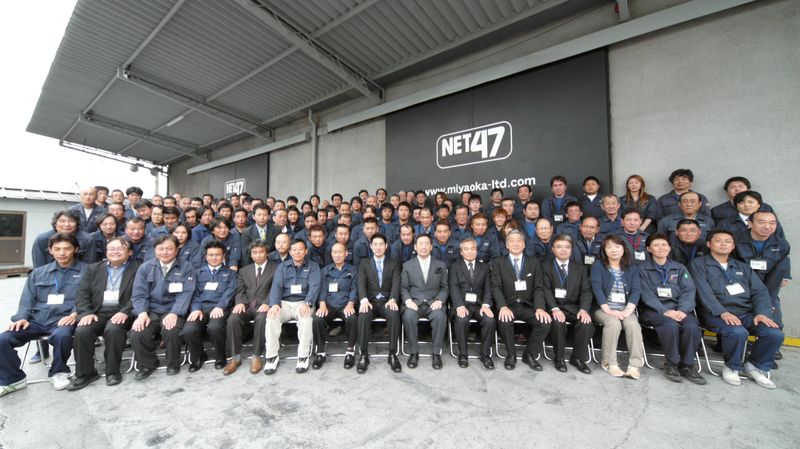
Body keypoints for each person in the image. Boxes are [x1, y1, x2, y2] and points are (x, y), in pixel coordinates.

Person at [690, 230, 783, 388]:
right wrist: (722, 312)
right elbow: (704, 293)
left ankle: (755, 366)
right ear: (709, 244)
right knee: (737, 332)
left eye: (728, 241)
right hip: (714, 313)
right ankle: (732, 367)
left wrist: (762, 313)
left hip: (745, 312)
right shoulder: (698, 264)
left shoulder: (742, 267)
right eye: (718, 240)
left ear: (733, 246)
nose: (723, 244)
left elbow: (760, 292)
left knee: (774, 334)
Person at [0, 233, 87, 396]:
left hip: (64, 319)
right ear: (50, 250)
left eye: (67, 248)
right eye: (57, 249)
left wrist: (75, 314)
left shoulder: (87, 271)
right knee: (3, 339)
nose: (62, 253)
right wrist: (22, 318)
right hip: (37, 320)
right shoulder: (38, 273)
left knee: (62, 335)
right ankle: (13, 378)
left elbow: (87, 297)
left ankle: (59, 372)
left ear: (75, 249)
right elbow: (27, 299)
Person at [68, 237, 140, 390]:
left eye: (120, 248)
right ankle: (85, 373)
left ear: (130, 252)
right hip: (97, 311)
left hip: (122, 311)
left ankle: (112, 371)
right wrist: (86, 312)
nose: (115, 251)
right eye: (112, 248)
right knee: (82, 331)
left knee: (114, 329)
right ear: (106, 252)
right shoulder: (94, 268)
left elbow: (140, 294)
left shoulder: (138, 268)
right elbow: (82, 293)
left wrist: (125, 311)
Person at [638, 234, 706, 384]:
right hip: (653, 311)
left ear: (669, 248)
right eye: (656, 245)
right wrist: (665, 311)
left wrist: (682, 310)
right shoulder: (642, 269)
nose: (661, 248)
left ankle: (687, 365)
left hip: (679, 309)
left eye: (664, 245)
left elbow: (689, 291)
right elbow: (646, 295)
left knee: (692, 326)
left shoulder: (679, 268)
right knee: (670, 325)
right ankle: (672, 363)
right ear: (648, 249)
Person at [129, 235, 196, 379]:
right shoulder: (145, 268)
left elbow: (186, 293)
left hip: (173, 309)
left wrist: (174, 313)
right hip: (151, 311)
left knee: (171, 329)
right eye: (160, 248)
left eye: (169, 248)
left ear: (177, 250)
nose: (165, 252)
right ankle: (147, 364)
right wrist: (142, 313)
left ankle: (173, 363)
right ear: (155, 250)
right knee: (137, 332)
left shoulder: (186, 267)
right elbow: (139, 294)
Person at [491, 230, 551, 371]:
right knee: (504, 321)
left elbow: (538, 287)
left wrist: (540, 308)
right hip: (508, 304)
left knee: (545, 322)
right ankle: (511, 355)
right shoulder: (498, 262)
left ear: (524, 244)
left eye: (519, 240)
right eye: (512, 241)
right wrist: (502, 306)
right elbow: (496, 287)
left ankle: (529, 354)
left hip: (527, 305)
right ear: (507, 245)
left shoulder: (533, 262)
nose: (516, 243)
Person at [264, 239, 321, 374]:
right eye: (294, 250)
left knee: (306, 318)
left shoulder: (313, 266)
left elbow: (315, 286)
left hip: (303, 302)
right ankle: (272, 356)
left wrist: (308, 303)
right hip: (285, 303)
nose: (297, 252)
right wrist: (274, 304)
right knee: (272, 317)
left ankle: (303, 356)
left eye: (301, 249)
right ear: (290, 252)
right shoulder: (282, 267)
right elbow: (276, 286)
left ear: (306, 251)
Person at [591, 234, 644, 379]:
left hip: (625, 308)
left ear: (623, 249)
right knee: (613, 323)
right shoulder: (598, 266)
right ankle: (609, 363)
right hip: (603, 308)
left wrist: (628, 311)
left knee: (633, 325)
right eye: (609, 247)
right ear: (604, 250)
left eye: (617, 246)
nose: (613, 250)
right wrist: (609, 310)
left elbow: (636, 290)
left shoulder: (631, 267)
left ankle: (635, 365)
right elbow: (597, 288)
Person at [541, 235, 594, 374]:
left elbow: (586, 291)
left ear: (571, 249)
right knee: (557, 322)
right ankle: (559, 358)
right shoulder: (545, 266)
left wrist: (583, 310)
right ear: (553, 249)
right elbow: (545, 289)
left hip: (574, 307)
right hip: (554, 306)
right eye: (559, 247)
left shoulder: (580, 268)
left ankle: (577, 358)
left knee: (586, 323)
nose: (563, 250)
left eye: (567, 247)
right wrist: (554, 308)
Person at [183, 241, 237, 372]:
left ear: (223, 256)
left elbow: (230, 292)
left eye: (217, 255)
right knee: (189, 329)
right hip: (200, 308)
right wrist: (196, 308)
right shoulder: (197, 273)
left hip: (220, 308)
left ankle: (220, 356)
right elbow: (193, 293)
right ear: (205, 256)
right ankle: (198, 357)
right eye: (211, 255)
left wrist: (220, 306)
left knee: (215, 327)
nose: (214, 257)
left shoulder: (231, 273)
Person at [733, 211, 791, 332]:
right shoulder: (735, 241)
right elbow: (730, 270)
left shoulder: (781, 244)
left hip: (767, 292)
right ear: (750, 223)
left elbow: (777, 275)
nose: (767, 226)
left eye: (772, 223)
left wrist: (765, 301)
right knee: (734, 325)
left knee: (775, 325)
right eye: (761, 222)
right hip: (739, 292)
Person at [224, 241, 275, 375]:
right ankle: (235, 358)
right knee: (233, 319)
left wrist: (267, 303)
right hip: (247, 305)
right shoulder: (244, 270)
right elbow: (240, 290)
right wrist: (240, 302)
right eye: (254, 252)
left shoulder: (275, 268)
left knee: (262, 319)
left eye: (261, 252)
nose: (258, 255)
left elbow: (276, 288)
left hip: (264, 305)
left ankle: (257, 356)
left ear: (267, 253)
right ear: (251, 255)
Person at [401, 234, 449, 370]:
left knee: (440, 317)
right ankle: (413, 353)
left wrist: (439, 300)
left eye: (426, 243)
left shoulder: (440, 265)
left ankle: (436, 354)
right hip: (414, 302)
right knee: (408, 316)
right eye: (420, 244)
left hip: (433, 302)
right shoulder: (407, 265)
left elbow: (445, 287)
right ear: (415, 247)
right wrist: (408, 300)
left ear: (431, 247)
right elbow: (403, 287)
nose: (423, 246)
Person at [356, 233, 402, 373]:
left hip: (387, 300)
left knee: (394, 313)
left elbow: (396, 282)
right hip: (370, 301)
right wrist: (363, 299)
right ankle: (364, 355)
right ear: (371, 246)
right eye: (375, 244)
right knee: (363, 315)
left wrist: (393, 298)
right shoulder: (364, 263)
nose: (378, 247)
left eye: (381, 244)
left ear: (386, 246)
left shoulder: (393, 263)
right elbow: (361, 283)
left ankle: (392, 354)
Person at [312, 242, 359, 370]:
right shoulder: (325, 271)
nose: (337, 255)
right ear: (331, 254)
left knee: (352, 318)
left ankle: (350, 351)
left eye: (340, 252)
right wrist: (322, 304)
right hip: (329, 304)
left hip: (346, 304)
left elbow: (355, 288)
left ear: (346, 253)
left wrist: (351, 303)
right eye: (335, 252)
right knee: (317, 319)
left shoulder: (353, 270)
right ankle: (320, 352)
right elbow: (321, 289)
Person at [716, 191, 784, 238]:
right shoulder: (725, 224)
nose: (747, 205)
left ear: (759, 205)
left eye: (751, 202)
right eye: (742, 203)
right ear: (736, 206)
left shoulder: (771, 222)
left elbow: (780, 241)